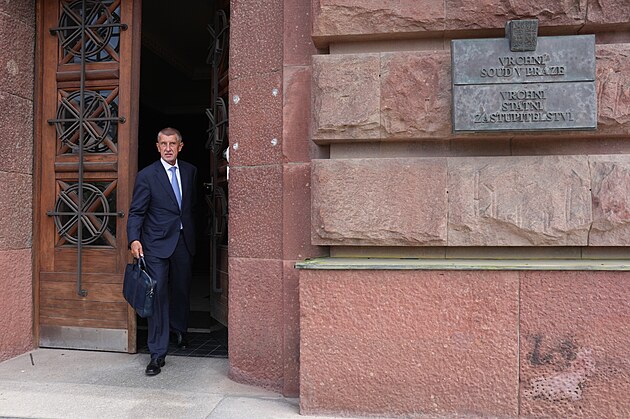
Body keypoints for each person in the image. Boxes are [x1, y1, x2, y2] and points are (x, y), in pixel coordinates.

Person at [127, 127, 197, 376]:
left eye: (172, 144)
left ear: (180, 146)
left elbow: (191, 207)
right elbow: (136, 211)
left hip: (183, 241)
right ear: (157, 147)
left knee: (181, 288)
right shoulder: (147, 175)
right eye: (163, 144)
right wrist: (134, 239)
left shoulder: (190, 171)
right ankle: (157, 353)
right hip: (155, 244)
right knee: (157, 295)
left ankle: (180, 330)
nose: (168, 148)